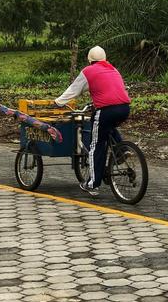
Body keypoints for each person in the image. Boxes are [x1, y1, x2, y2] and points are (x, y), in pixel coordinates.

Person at [55, 46, 131, 197]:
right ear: (104, 58)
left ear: (90, 60)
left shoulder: (88, 71)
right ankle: (122, 150)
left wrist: (58, 102)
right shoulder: (113, 69)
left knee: (96, 145)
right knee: (108, 128)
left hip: (106, 110)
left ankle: (92, 183)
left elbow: (74, 89)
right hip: (124, 108)